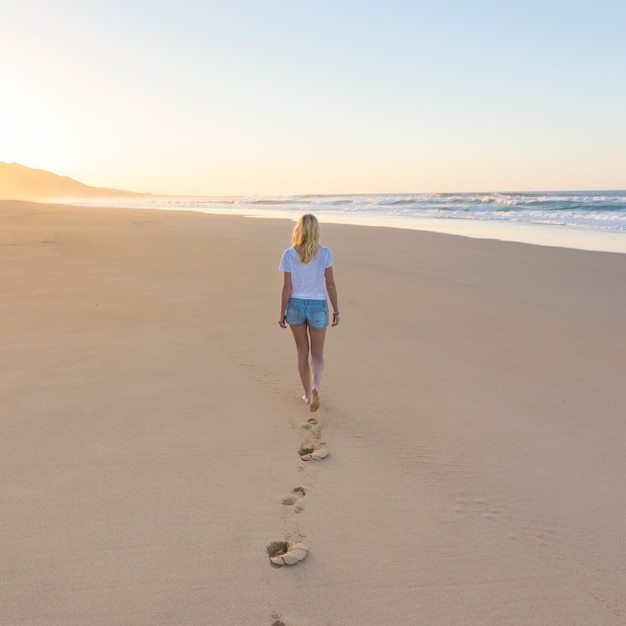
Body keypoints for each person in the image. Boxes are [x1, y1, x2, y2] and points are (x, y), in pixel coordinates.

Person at [278, 214, 339, 412]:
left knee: (302, 352)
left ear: (299, 230)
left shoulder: (289, 254)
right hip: (318, 306)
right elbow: (330, 284)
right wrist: (336, 310)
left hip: (295, 306)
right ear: (316, 231)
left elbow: (287, 287)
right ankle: (316, 386)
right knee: (318, 353)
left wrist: (281, 313)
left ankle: (307, 395)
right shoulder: (326, 253)